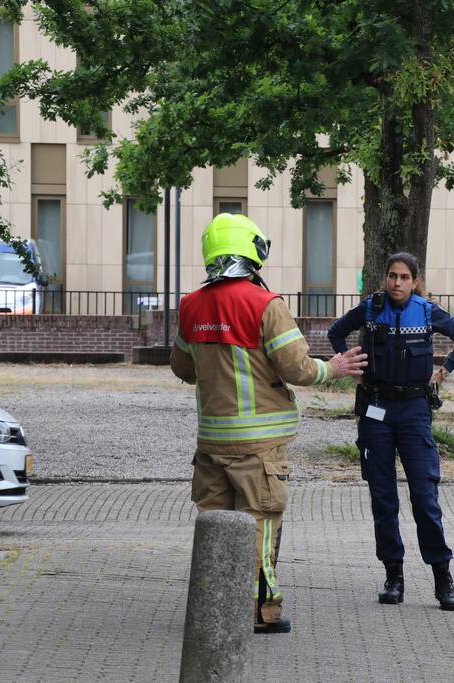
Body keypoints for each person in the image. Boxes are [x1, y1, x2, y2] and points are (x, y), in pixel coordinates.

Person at [171, 213, 367, 634]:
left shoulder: (191, 305)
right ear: (251, 250)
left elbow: (182, 368)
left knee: (214, 526)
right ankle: (262, 614)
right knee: (258, 527)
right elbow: (297, 369)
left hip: (210, 444)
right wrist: (333, 368)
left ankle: (212, 608)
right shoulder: (265, 304)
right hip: (258, 448)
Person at [327, 253, 454, 610]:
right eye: (392, 276)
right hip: (376, 410)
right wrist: (351, 368)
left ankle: (442, 576)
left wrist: (444, 371)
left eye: (404, 277)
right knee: (383, 498)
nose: (397, 283)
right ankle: (394, 576)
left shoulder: (427, 312)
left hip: (414, 411)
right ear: (386, 278)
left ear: (415, 281)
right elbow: (335, 333)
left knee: (425, 498)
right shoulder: (370, 308)